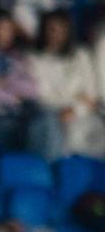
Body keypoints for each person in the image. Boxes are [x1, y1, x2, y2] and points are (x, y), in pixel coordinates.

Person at [0, 8, 62, 162]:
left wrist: (6, 82)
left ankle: (43, 170)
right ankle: (40, 170)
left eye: (11, 29)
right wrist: (15, 97)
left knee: (48, 118)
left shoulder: (13, 57)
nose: (10, 34)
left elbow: (33, 90)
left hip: (14, 117)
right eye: (4, 28)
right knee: (39, 129)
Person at [29, 9, 105, 159]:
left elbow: (92, 94)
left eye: (62, 29)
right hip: (52, 116)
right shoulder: (32, 58)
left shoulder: (81, 55)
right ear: (43, 30)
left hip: (83, 115)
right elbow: (41, 94)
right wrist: (72, 102)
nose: (56, 34)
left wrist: (76, 109)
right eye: (51, 29)